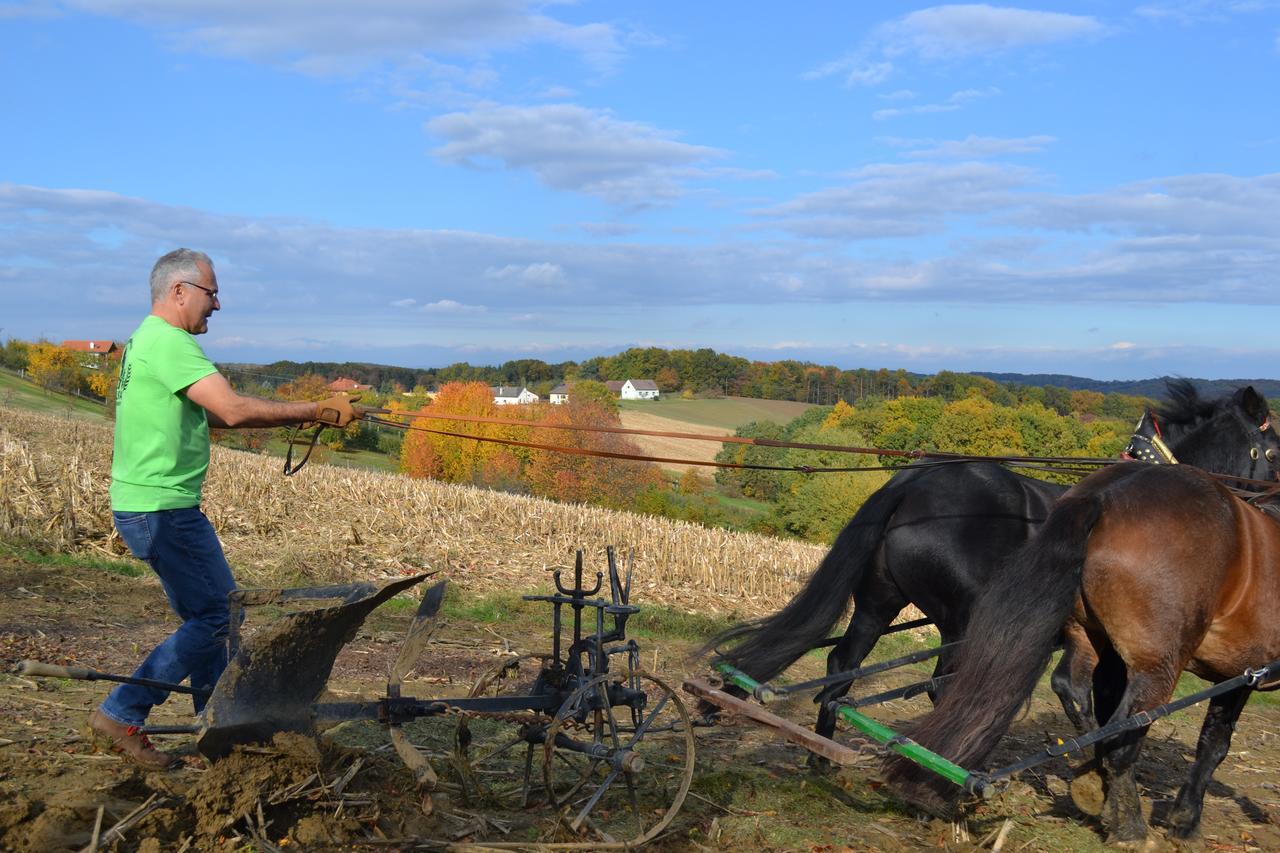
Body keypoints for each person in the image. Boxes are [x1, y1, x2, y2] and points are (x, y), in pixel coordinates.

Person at [88, 248, 360, 769]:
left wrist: (304, 417)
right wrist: (314, 407)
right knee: (217, 616)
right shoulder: (169, 343)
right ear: (179, 291)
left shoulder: (146, 341)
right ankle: (122, 712)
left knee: (208, 617)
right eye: (211, 293)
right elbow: (232, 409)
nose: (217, 305)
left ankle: (223, 728)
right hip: (163, 508)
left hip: (148, 505)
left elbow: (211, 415)